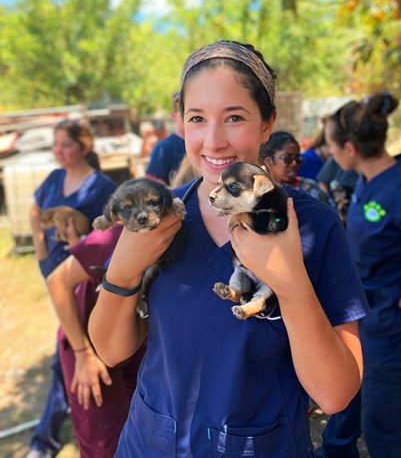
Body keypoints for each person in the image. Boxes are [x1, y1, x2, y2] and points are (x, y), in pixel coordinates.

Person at [89, 40, 367, 457]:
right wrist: (123, 271)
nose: (214, 141)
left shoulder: (312, 226)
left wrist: (288, 281)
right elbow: (111, 351)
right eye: (197, 118)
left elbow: (335, 395)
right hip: (151, 442)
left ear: (267, 123)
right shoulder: (157, 214)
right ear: (180, 121)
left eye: (234, 117)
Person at [315, 92, 401, 458]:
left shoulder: (396, 187)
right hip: (364, 315)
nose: (330, 154)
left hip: (389, 324)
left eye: (332, 147)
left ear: (350, 147)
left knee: (384, 424)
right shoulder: (364, 181)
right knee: (352, 402)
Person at [28, 119, 116, 458]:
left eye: (65, 144)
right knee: (65, 348)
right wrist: (41, 254)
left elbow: (107, 238)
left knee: (66, 348)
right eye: (56, 144)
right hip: (55, 273)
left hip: (84, 282)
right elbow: (36, 213)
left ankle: (45, 440)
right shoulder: (53, 178)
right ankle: (49, 437)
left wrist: (78, 243)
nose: (58, 151)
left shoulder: (101, 186)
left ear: (84, 146)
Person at [46, 224, 146, 457]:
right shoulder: (117, 234)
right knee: (103, 442)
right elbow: (57, 281)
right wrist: (82, 354)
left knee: (136, 436)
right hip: (86, 345)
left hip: (134, 345)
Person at [260, 131, 330, 203]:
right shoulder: (259, 193)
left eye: (298, 159)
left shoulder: (313, 191)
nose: (294, 163)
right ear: (269, 162)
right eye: (287, 158)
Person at [145, 91, 186, 185]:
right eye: (183, 113)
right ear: (174, 115)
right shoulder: (163, 149)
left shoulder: (206, 143)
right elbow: (153, 189)